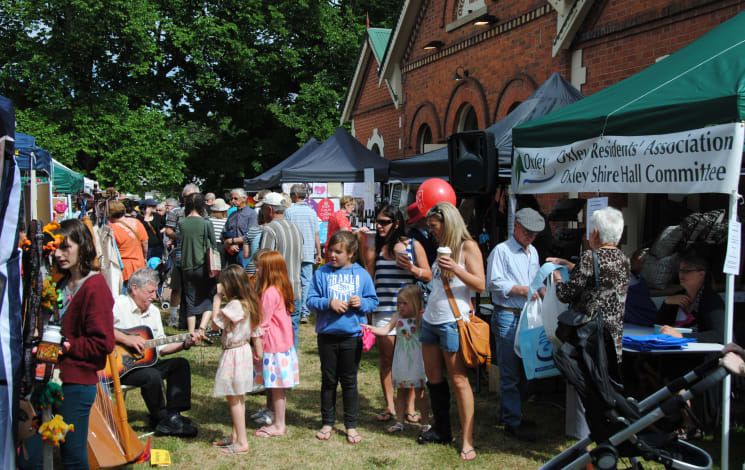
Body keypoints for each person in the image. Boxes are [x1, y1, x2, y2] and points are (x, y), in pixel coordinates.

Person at [419, 202, 484, 461]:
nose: (431, 231)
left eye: (434, 226)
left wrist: (456, 268)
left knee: (459, 380)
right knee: (434, 380)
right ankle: (442, 430)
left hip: (452, 322)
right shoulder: (440, 248)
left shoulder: (467, 247)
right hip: (431, 321)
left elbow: (480, 284)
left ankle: (467, 440)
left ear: (448, 223)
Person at [53, 219, 116, 467]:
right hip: (55, 377)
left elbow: (103, 343)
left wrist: (65, 344)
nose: (58, 254)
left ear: (83, 246)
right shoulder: (62, 282)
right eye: (56, 248)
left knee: (73, 456)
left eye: (65, 247)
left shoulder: (95, 286)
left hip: (77, 382)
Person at [308, 230, 378, 445]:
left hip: (351, 336)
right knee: (328, 381)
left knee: (349, 381)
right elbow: (310, 300)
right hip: (327, 336)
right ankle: (327, 421)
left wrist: (362, 304)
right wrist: (328, 303)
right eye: (330, 249)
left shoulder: (362, 275)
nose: (332, 254)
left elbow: (373, 301)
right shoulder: (321, 273)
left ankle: (351, 424)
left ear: (351, 253)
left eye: (338, 251)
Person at [113, 268, 200, 437]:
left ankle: (173, 415)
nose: (154, 296)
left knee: (180, 364)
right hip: (119, 368)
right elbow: (101, 328)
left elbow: (161, 348)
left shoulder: (153, 311)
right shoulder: (118, 305)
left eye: (155, 291)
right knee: (151, 375)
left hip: (145, 363)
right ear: (134, 288)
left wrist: (185, 343)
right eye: (150, 292)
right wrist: (126, 339)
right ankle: (160, 417)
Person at [367, 204, 431, 425]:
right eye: (377, 222)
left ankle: (411, 407)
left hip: (408, 311)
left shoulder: (413, 245)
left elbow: (428, 275)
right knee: (387, 359)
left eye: (384, 222)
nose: (379, 226)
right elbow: (371, 278)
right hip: (383, 309)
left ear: (396, 223)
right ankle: (390, 406)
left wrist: (412, 269)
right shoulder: (377, 247)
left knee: (410, 358)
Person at [549, 206, 630, 375]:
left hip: (589, 337)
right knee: (609, 384)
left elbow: (566, 294)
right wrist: (570, 265)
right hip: (613, 336)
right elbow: (601, 279)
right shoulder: (624, 259)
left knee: (587, 387)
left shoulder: (589, 257)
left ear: (595, 233)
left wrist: (557, 279)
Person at [488, 207, 545, 442]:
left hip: (526, 314)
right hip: (508, 314)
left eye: (535, 233)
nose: (531, 237)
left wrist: (540, 287)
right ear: (517, 227)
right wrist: (524, 289)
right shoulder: (501, 251)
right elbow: (494, 283)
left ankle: (510, 413)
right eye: (528, 232)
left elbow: (534, 281)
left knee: (528, 370)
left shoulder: (533, 252)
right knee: (511, 372)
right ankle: (512, 420)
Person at [210, 265, 263, 455]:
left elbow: (216, 325)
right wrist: (258, 349)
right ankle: (235, 436)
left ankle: (241, 442)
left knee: (233, 397)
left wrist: (216, 300)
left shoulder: (234, 305)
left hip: (234, 354)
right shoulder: (249, 302)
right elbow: (256, 329)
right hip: (243, 352)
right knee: (239, 396)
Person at [363, 285, 430, 435]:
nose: (400, 306)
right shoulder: (397, 317)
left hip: (417, 360)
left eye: (404, 303)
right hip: (401, 360)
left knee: (420, 392)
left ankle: (425, 423)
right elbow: (385, 330)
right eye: (399, 303)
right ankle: (399, 422)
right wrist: (370, 328)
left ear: (415, 303)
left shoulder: (421, 317)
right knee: (400, 392)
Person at [252, 251, 300, 438]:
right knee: (273, 384)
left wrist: (256, 344)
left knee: (277, 386)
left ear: (269, 270)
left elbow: (261, 323)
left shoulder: (270, 293)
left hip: (273, 346)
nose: (256, 270)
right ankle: (272, 414)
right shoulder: (280, 287)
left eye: (259, 267)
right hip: (281, 344)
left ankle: (280, 424)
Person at [257, 192, 304, 346]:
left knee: (273, 333)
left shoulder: (270, 229)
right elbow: (301, 258)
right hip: (295, 289)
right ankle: (290, 365)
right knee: (292, 331)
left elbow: (263, 262)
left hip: (275, 291)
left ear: (269, 210)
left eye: (263, 208)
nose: (261, 212)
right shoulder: (296, 228)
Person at [656, 251, 724, 343]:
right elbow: (659, 327)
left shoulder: (711, 300)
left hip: (701, 354)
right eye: (680, 271)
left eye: (687, 271)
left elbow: (719, 335)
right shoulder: (678, 296)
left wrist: (681, 336)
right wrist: (667, 302)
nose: (681, 275)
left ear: (701, 274)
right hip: (675, 350)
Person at [178, 192, 217, 333]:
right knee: (207, 297)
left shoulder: (181, 223)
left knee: (190, 298)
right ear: (202, 205)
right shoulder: (206, 223)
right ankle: (201, 329)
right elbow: (213, 245)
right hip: (204, 266)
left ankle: (190, 332)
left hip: (186, 266)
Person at [284, 184, 321, 324]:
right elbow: (316, 234)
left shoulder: (289, 211)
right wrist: (318, 252)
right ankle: (304, 311)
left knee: (292, 280)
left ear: (294, 196)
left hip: (293, 251)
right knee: (306, 282)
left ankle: (293, 308)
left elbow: (286, 231)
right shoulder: (312, 212)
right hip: (308, 251)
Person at [164, 184, 200, 327]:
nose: (188, 200)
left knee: (195, 287)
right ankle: (173, 316)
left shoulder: (202, 213)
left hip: (197, 255)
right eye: (186, 197)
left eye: (191, 197)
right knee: (177, 286)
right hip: (180, 253)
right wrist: (180, 236)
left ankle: (193, 317)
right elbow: (168, 230)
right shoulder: (176, 212)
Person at [108, 199, 147, 291]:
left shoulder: (111, 228)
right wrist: (144, 257)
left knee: (124, 298)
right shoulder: (137, 222)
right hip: (139, 265)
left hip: (122, 268)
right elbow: (145, 243)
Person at [223, 188, 259, 266]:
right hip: (231, 252)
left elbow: (251, 235)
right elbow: (225, 232)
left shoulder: (252, 214)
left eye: (235, 198)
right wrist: (229, 246)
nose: (232, 201)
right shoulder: (232, 215)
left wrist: (231, 241)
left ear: (244, 198)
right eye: (232, 198)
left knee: (244, 276)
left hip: (245, 251)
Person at [209, 198, 231, 265]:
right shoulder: (227, 221)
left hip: (210, 246)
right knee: (222, 267)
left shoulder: (208, 220)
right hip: (222, 247)